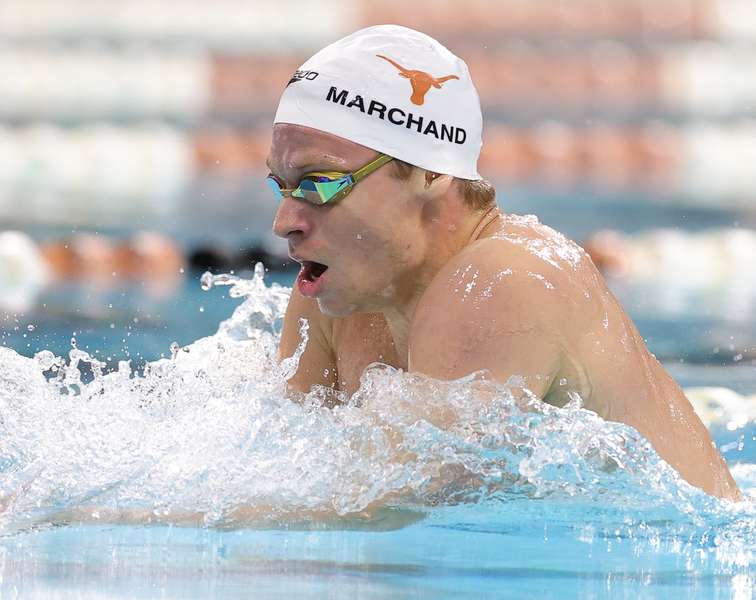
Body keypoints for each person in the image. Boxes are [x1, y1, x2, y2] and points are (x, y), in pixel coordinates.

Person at [268, 25, 739, 499]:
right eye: (282, 185)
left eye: (319, 182)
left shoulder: (506, 279)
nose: (285, 221)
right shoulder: (347, 289)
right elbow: (281, 467)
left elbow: (372, 511)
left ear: (430, 172)